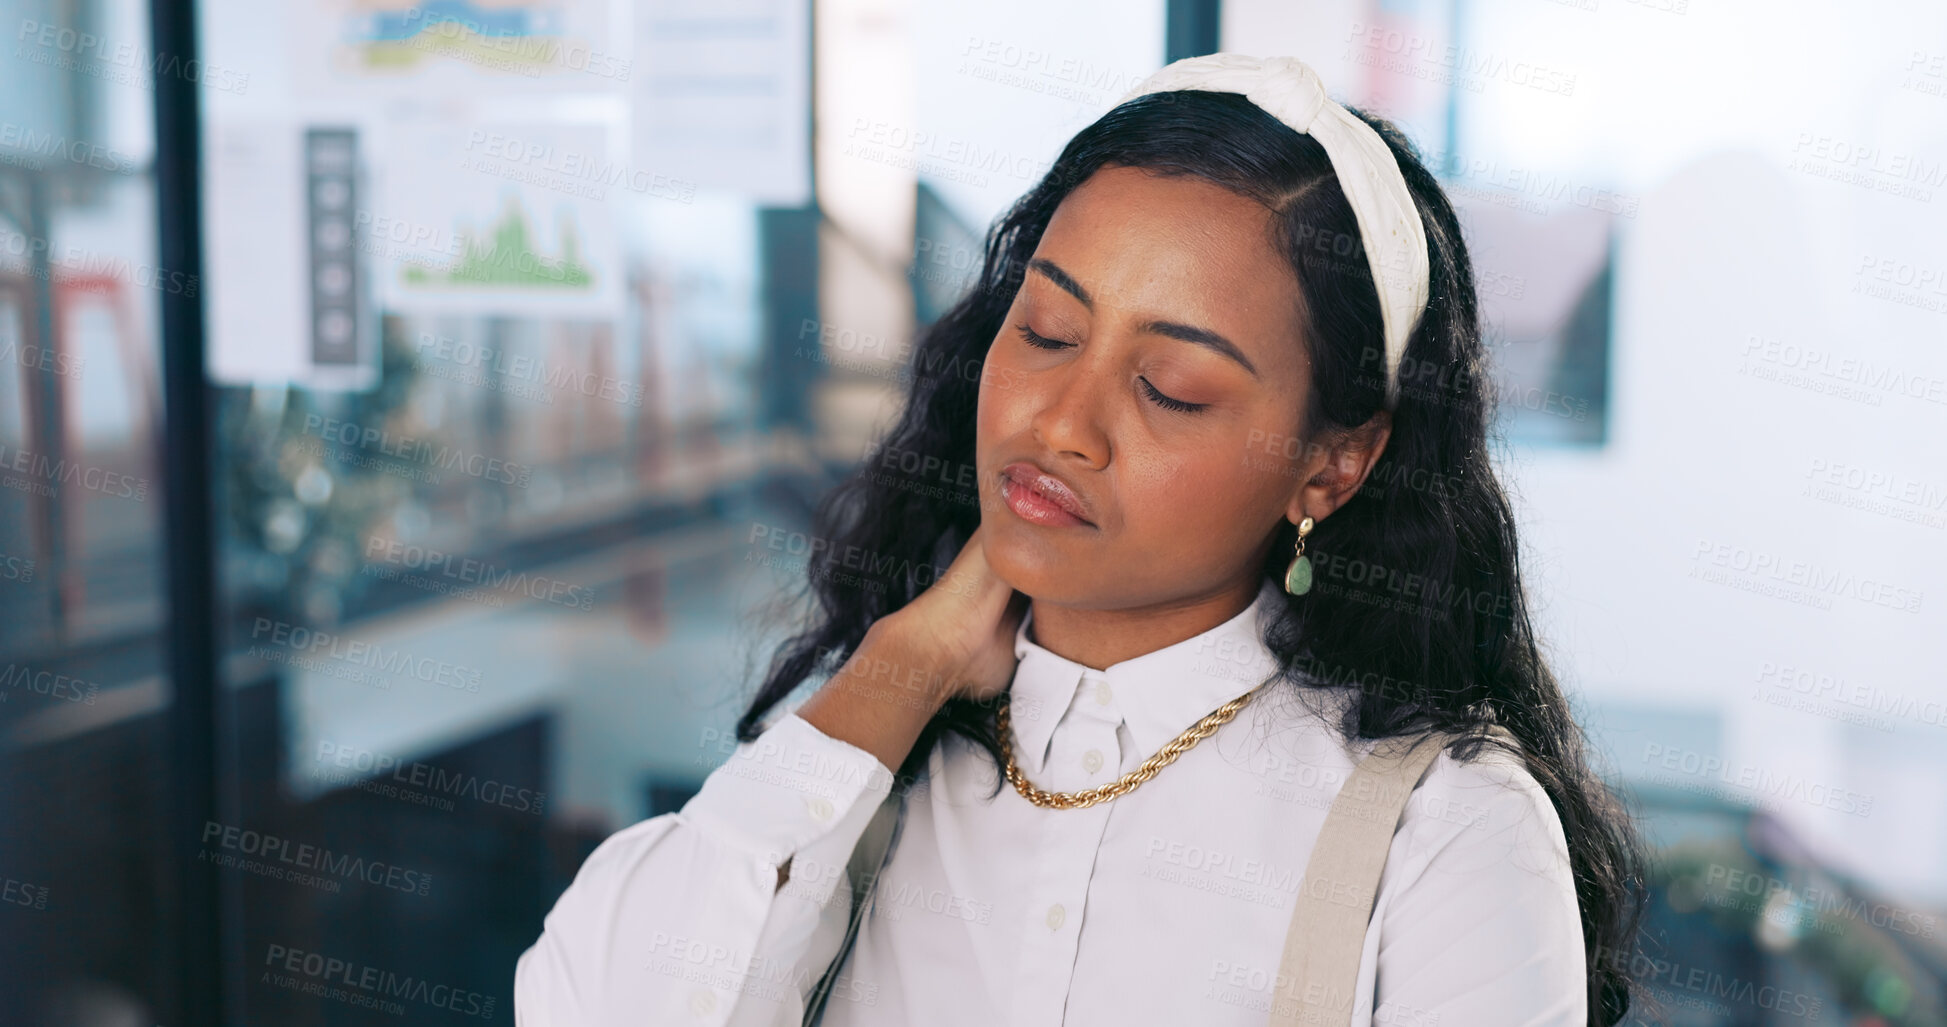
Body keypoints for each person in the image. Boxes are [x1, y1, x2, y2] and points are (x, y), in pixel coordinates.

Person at [513, 53, 1647, 1026]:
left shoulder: (1445, 832)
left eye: (1170, 387)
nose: (1057, 423)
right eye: (1046, 329)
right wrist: (899, 668)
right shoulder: (868, 758)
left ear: (1333, 462)